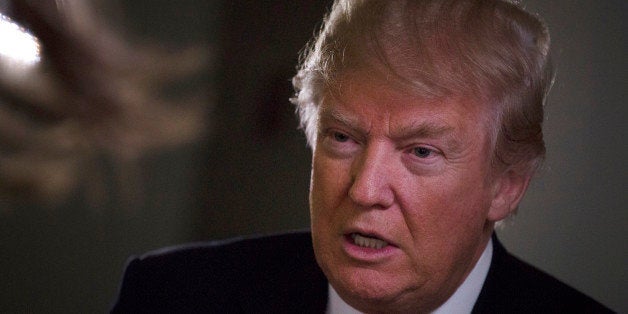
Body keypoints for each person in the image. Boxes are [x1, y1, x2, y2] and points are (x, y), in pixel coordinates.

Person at [111, 0, 613, 312]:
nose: (364, 189)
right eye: (343, 138)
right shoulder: (171, 296)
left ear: (506, 185)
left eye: (421, 151)